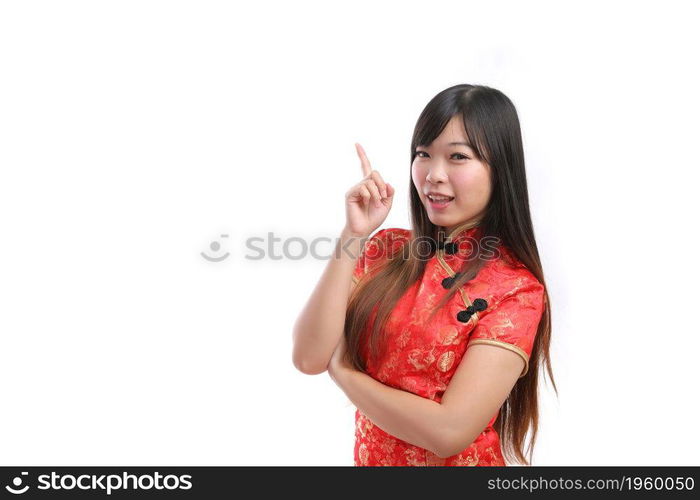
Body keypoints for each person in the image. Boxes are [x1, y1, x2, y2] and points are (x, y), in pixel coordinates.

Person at [292, 83, 555, 466]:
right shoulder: (387, 250)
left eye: (458, 157)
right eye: (423, 154)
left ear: (500, 168)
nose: (433, 174)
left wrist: (345, 371)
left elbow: (448, 433)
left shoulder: (515, 289)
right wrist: (353, 236)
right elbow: (308, 357)